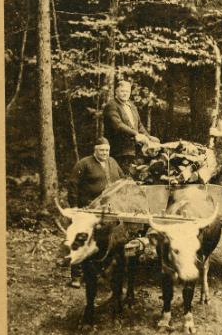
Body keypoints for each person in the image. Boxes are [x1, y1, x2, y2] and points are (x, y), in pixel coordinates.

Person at [66, 137, 124, 287]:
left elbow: (123, 180)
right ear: (95, 150)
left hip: (109, 209)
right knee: (82, 239)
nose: (104, 153)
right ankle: (76, 277)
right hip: (88, 208)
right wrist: (74, 207)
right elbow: (72, 185)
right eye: (101, 150)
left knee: (105, 240)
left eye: (106, 150)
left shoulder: (113, 162)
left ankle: (98, 272)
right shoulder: (84, 164)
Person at [103, 78, 160, 175]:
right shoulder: (111, 105)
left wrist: (148, 137)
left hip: (134, 150)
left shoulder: (131, 106)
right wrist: (136, 134)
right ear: (116, 92)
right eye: (122, 91)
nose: (125, 93)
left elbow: (139, 125)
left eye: (127, 91)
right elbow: (118, 125)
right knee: (122, 177)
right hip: (120, 150)